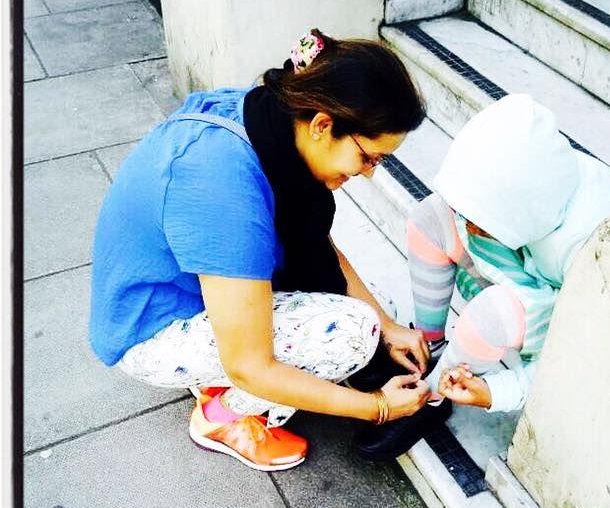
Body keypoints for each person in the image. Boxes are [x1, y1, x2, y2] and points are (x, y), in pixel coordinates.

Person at [89, 29, 434, 471]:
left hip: (183, 288)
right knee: (350, 334)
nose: (368, 173)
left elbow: (316, 243)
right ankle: (223, 416)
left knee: (370, 319)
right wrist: (377, 407)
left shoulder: (268, 117)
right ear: (323, 125)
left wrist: (388, 326)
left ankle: (215, 373)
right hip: (149, 332)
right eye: (369, 157)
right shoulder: (223, 186)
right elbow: (251, 366)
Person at [355, 93, 610, 461]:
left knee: (493, 313)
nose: (468, 224)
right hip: (523, 269)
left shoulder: (593, 248)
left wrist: (494, 392)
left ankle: (431, 396)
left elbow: (573, 360)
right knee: (431, 218)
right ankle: (429, 351)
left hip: (556, 319)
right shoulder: (537, 175)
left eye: (478, 219)